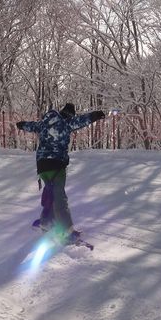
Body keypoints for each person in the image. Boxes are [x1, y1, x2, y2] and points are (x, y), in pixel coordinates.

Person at [16, 102, 105, 243]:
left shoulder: (44, 124)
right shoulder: (66, 123)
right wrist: (95, 115)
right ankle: (66, 232)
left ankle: (46, 222)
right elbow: (81, 121)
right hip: (57, 165)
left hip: (42, 166)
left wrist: (22, 125)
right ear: (69, 116)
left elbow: (31, 126)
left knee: (51, 193)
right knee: (59, 198)